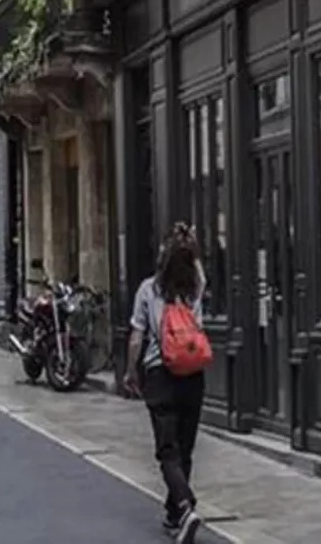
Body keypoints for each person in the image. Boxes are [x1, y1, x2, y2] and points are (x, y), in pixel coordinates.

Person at [124, 224, 208, 543]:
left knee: (167, 449)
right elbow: (198, 265)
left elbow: (136, 337)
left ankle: (185, 506)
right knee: (184, 447)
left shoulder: (148, 289)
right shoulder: (194, 287)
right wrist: (191, 244)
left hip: (160, 375)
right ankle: (175, 514)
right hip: (193, 375)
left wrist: (132, 373)